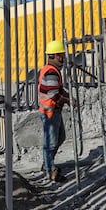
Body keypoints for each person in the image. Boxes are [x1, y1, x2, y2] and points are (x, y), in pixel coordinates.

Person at [38, 39, 75, 183]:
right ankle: (49, 170)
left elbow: (57, 90)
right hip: (50, 112)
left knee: (59, 138)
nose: (64, 58)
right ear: (57, 56)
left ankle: (47, 163)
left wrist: (66, 96)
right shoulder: (52, 72)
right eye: (62, 55)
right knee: (51, 143)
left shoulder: (49, 70)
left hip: (50, 110)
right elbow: (54, 94)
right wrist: (67, 100)